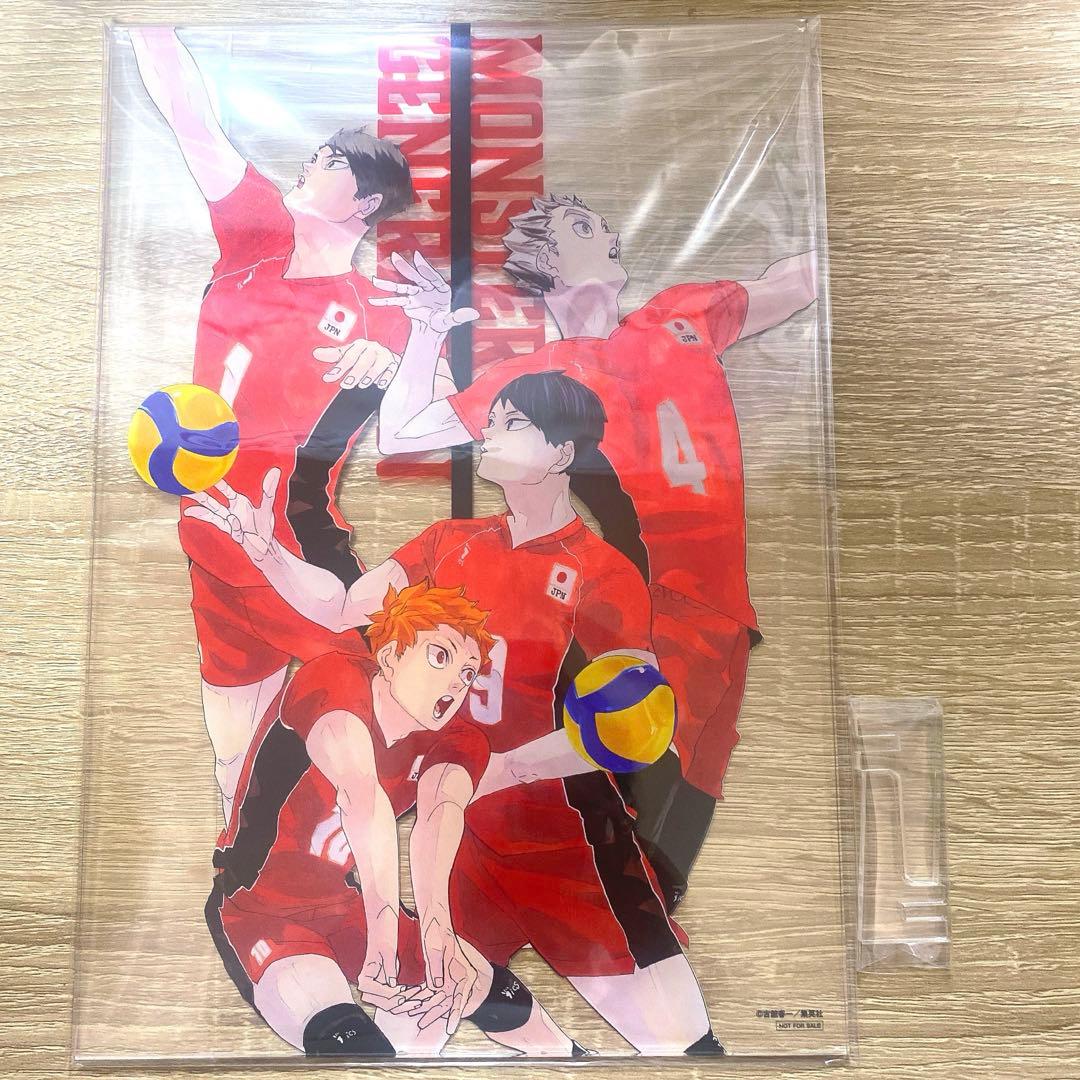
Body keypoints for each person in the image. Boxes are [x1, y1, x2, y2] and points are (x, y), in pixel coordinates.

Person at [186, 371, 723, 1055]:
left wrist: (501, 769)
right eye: (489, 421)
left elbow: (636, 726)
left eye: (510, 424)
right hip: (455, 849)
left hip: (561, 842)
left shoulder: (601, 572)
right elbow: (344, 607)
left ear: (562, 452)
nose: (486, 435)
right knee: (412, 1034)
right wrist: (271, 557)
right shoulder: (449, 541)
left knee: (686, 1049)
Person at [346, 196, 818, 909]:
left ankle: (634, 927)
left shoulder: (680, 314)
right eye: (584, 226)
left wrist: (861, 240)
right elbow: (405, 430)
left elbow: (792, 282)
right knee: (636, 753)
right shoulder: (549, 381)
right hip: (662, 605)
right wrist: (427, 331)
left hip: (727, 608)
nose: (613, 233)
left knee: (695, 788)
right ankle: (385, 842)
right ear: (549, 261)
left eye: (603, 223)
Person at [129, 29, 470, 820]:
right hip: (210, 539)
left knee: (391, 713)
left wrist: (407, 355)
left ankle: (432, 839)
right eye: (311, 156)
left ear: (365, 201)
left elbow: (450, 419)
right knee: (232, 759)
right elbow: (188, 114)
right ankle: (252, 865)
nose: (304, 167)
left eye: (326, 161)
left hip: (295, 552)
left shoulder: (382, 311)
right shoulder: (253, 231)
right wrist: (148, 26)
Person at [207, 581, 577, 1057]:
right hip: (256, 908)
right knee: (351, 1043)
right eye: (440, 657)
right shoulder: (335, 679)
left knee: (480, 983)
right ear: (391, 656)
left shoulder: (457, 738)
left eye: (467, 673)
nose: (455, 683)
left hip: (343, 902)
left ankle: (573, 1058)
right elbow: (361, 795)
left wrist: (437, 929)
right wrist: (384, 937)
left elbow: (440, 813)